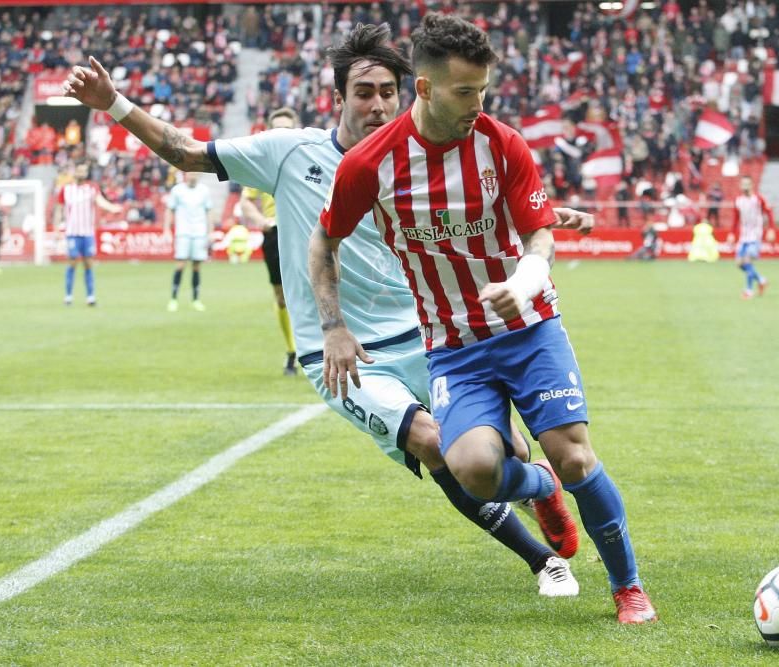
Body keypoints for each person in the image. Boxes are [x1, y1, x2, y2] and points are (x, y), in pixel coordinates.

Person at [63, 27, 588, 597]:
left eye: (387, 91)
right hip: (340, 351)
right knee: (433, 442)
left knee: (500, 452)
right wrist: (112, 104)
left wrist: (543, 217)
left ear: (411, 91)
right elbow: (186, 152)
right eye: (363, 92)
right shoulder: (288, 152)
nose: (377, 104)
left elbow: (477, 217)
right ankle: (543, 562)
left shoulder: (418, 157)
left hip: (429, 336)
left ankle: (537, 484)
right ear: (339, 98)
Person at [312, 14, 656, 624]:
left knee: (574, 455)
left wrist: (526, 278)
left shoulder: (501, 142)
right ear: (424, 89)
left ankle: (627, 587)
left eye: (483, 90)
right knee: (472, 470)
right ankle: (540, 487)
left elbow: (539, 233)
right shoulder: (369, 165)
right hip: (453, 346)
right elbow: (324, 243)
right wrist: (334, 326)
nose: (478, 104)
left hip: (529, 329)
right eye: (464, 92)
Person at [239, 107, 301, 375]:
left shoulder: (309, 158)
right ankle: (292, 351)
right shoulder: (261, 165)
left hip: (306, 232)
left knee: (324, 290)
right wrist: (262, 221)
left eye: (287, 128)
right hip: (275, 233)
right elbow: (246, 201)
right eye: (278, 129)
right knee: (281, 297)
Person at [53, 161, 122, 306]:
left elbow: (101, 202)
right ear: (75, 172)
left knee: (88, 264)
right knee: (72, 262)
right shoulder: (66, 189)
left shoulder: (91, 189)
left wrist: (113, 208)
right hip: (72, 232)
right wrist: (57, 229)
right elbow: (58, 210)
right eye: (79, 170)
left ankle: (90, 297)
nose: (81, 174)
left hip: (87, 233)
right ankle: (68, 296)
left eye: (84, 171)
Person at [164, 171, 215, 312]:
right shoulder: (177, 190)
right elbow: (170, 210)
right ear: (186, 175)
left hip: (199, 233)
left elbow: (209, 211)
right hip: (183, 233)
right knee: (180, 264)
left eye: (195, 174)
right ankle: (173, 298)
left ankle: (196, 299)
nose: (193, 176)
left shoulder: (204, 190)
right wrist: (166, 229)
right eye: (190, 174)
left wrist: (210, 232)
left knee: (197, 266)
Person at [729, 175, 773, 299]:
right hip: (744, 237)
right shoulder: (738, 201)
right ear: (740, 186)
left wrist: (771, 229)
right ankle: (761, 280)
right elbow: (736, 219)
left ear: (752, 185)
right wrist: (732, 233)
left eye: (747, 184)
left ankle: (748, 290)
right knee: (739, 263)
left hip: (755, 236)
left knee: (747, 260)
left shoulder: (758, 199)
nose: (745, 186)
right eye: (743, 184)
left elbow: (769, 213)